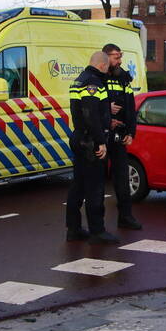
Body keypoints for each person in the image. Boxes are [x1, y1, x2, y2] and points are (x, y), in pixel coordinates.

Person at [65, 51, 119, 245]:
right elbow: (91, 114)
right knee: (95, 187)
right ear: (102, 65)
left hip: (80, 137)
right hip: (90, 141)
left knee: (78, 186)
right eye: (107, 67)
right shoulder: (93, 82)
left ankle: (74, 229)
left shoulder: (79, 80)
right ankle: (97, 231)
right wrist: (100, 141)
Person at [102, 43, 141, 230]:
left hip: (119, 135)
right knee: (96, 180)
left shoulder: (123, 78)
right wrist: (106, 110)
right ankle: (95, 225)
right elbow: (88, 106)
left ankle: (126, 216)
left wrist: (131, 132)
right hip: (101, 135)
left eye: (120, 57)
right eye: (116, 57)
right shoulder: (97, 77)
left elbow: (130, 107)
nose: (120, 61)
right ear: (106, 57)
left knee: (122, 177)